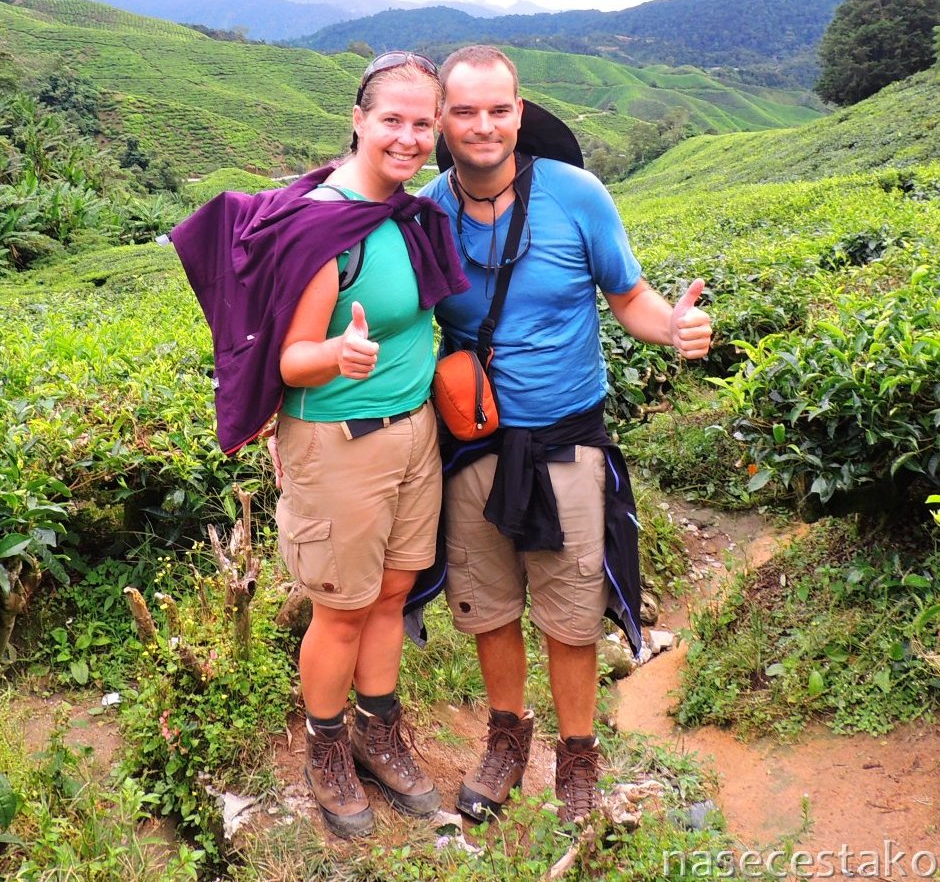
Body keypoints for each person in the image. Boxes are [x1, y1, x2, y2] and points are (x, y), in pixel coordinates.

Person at [170, 51, 467, 840]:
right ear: (360, 120)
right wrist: (338, 356)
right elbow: (289, 358)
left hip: (413, 435)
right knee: (340, 609)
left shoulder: (406, 212)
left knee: (393, 596)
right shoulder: (329, 229)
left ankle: (378, 731)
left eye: (422, 123)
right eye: (392, 121)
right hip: (340, 445)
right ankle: (326, 749)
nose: (407, 137)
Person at [416, 44, 712, 825]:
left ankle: (578, 759)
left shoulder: (578, 196)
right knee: (487, 605)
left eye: (499, 109)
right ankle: (507, 738)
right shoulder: (425, 213)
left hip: (567, 441)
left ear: (521, 112)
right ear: (442, 119)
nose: (484, 125)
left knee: (573, 609)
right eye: (466, 110)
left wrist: (672, 327)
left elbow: (631, 296)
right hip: (472, 445)